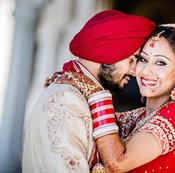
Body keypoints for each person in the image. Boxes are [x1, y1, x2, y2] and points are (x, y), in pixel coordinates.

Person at [22, 10, 155, 173]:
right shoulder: (65, 98)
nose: (135, 71)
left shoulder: (80, 93)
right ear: (109, 51)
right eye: (132, 60)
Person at [87, 23, 175, 173]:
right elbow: (87, 120)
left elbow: (117, 163)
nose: (146, 70)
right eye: (143, 59)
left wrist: (95, 93)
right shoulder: (138, 117)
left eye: (160, 62)